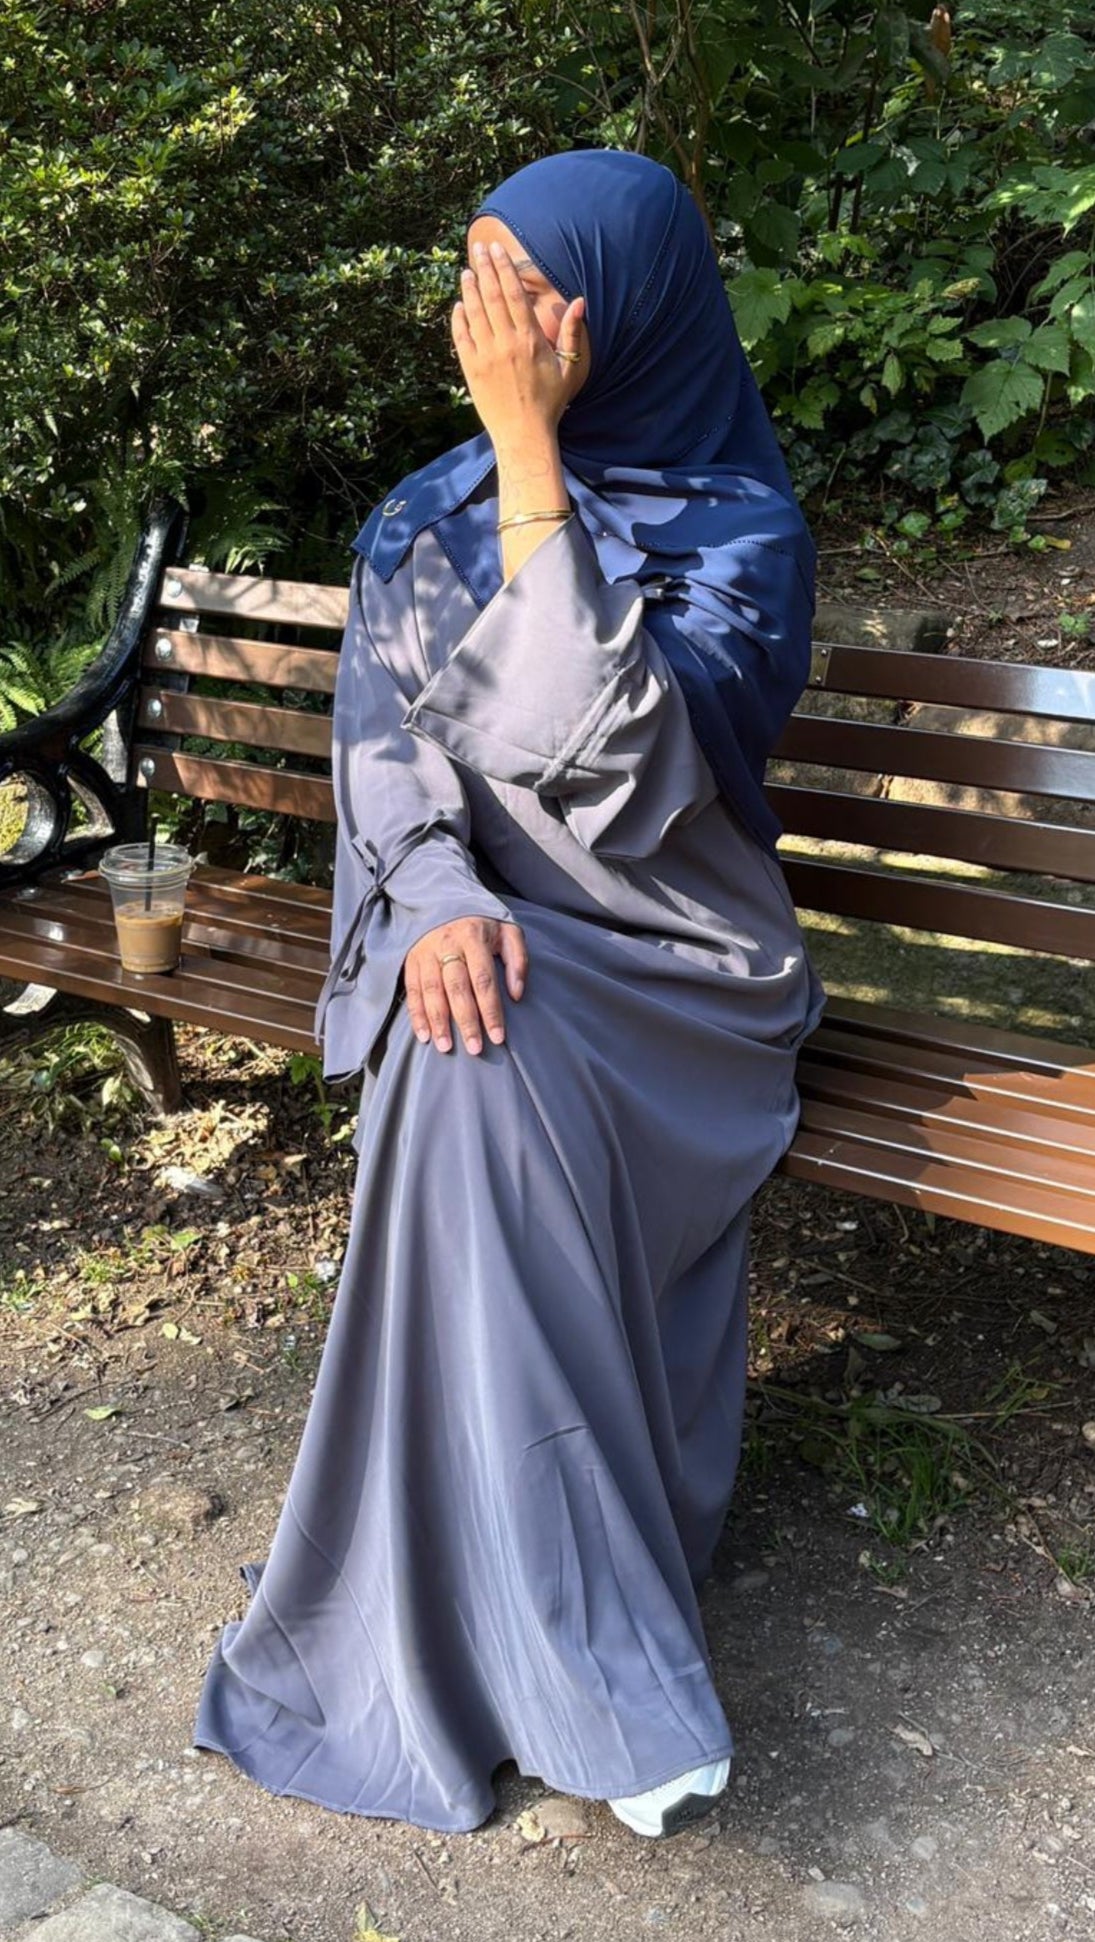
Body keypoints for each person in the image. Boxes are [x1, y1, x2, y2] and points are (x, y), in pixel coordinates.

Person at [193, 148, 826, 1840]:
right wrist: (441, 904)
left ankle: (544, 1618)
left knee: (482, 1048)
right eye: (478, 279)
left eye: (530, 288)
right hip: (514, 955)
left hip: (680, 971)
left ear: (627, 312)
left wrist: (533, 464)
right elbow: (386, 759)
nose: (496, 326)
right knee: (462, 1045)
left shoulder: (742, 532)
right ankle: (577, 1650)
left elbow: (616, 773)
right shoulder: (420, 515)